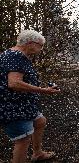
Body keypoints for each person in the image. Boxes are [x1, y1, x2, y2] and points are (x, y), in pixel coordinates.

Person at [0, 30, 60, 163]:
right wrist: (42, 90)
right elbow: (14, 83)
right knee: (23, 140)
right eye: (40, 45)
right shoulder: (15, 56)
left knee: (40, 121)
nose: (41, 49)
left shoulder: (17, 55)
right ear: (31, 43)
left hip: (24, 105)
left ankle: (37, 153)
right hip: (13, 106)